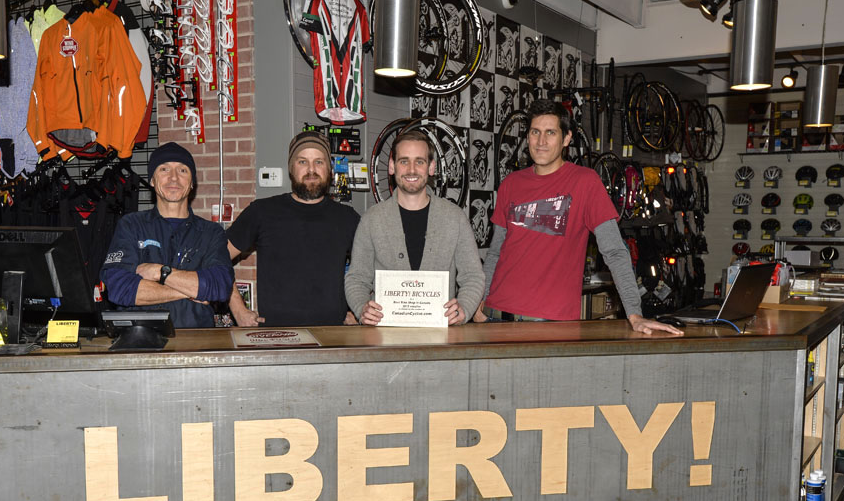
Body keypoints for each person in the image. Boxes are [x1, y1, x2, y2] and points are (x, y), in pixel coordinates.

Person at [473, 99, 681, 336]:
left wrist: (635, 314)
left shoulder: (585, 182)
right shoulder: (511, 184)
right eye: (535, 132)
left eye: (550, 133)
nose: (541, 142)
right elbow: (496, 252)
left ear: (566, 139)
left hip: (551, 325)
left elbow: (614, 251)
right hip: (496, 318)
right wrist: (481, 299)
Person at [345, 130, 483, 325]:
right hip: (385, 341)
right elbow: (357, 278)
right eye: (404, 161)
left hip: (440, 341)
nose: (411, 170)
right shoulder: (371, 220)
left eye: (419, 161)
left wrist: (464, 308)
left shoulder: (455, 218)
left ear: (431, 167)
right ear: (392, 166)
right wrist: (362, 308)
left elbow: (473, 276)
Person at [227, 131, 360, 326]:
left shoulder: (347, 218)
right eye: (303, 162)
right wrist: (238, 310)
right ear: (291, 168)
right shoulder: (261, 212)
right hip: (276, 340)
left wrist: (359, 308)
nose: (311, 170)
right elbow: (216, 256)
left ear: (329, 170)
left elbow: (375, 268)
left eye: (319, 162)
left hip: (334, 339)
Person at [100, 142, 235, 328]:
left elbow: (219, 286)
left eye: (182, 170)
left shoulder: (212, 233)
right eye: (164, 169)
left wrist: (159, 272)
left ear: (192, 182)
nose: (173, 178)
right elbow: (119, 288)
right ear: (152, 180)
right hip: (141, 342)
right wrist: (193, 290)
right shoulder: (131, 225)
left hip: (196, 346)